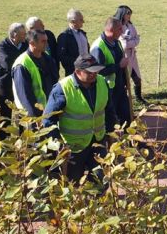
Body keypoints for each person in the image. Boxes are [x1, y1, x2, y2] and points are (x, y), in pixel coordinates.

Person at [42, 54, 116, 182]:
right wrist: (58, 143)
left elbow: (109, 110)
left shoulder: (102, 82)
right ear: (78, 72)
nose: (94, 74)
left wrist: (111, 133)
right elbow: (48, 120)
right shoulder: (62, 89)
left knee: (101, 181)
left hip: (98, 142)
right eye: (89, 72)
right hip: (73, 148)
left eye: (96, 71)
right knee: (73, 184)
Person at [90, 17, 131, 126]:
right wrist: (118, 66)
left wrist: (125, 82)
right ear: (111, 30)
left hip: (119, 87)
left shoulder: (116, 42)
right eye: (119, 29)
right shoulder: (98, 47)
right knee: (110, 121)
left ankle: (130, 142)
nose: (122, 32)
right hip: (107, 90)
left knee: (127, 115)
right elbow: (97, 71)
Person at [12, 29, 59, 117]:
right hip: (32, 116)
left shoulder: (48, 59)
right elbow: (25, 96)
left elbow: (54, 82)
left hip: (48, 110)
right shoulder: (22, 64)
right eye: (43, 41)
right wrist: (36, 118)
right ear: (32, 43)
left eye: (46, 40)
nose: (47, 43)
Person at [0, 22, 27, 123]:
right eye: (23, 34)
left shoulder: (25, 44)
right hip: (5, 84)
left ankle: (23, 135)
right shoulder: (1, 47)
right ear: (15, 35)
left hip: (20, 82)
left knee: (22, 111)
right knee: (5, 114)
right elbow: (8, 64)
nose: (26, 35)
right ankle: (3, 137)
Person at [115, 5, 147, 104]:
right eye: (128, 14)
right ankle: (124, 100)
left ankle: (138, 97)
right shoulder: (118, 26)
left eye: (130, 13)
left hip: (132, 55)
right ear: (122, 14)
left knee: (137, 78)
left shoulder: (130, 25)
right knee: (125, 80)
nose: (129, 16)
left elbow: (137, 39)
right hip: (124, 57)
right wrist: (132, 42)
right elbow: (123, 44)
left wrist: (132, 42)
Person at [57, 9, 89, 76]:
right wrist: (78, 63)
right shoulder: (64, 36)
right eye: (81, 20)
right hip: (73, 73)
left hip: (86, 70)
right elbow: (62, 57)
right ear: (73, 21)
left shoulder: (82, 33)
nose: (83, 21)